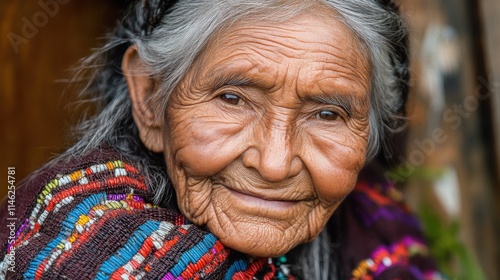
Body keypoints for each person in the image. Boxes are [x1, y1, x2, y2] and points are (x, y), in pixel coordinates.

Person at [0, 0, 442, 279]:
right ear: (151, 96)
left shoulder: (374, 218)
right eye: (232, 99)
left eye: (328, 113)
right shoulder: (83, 245)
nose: (273, 163)